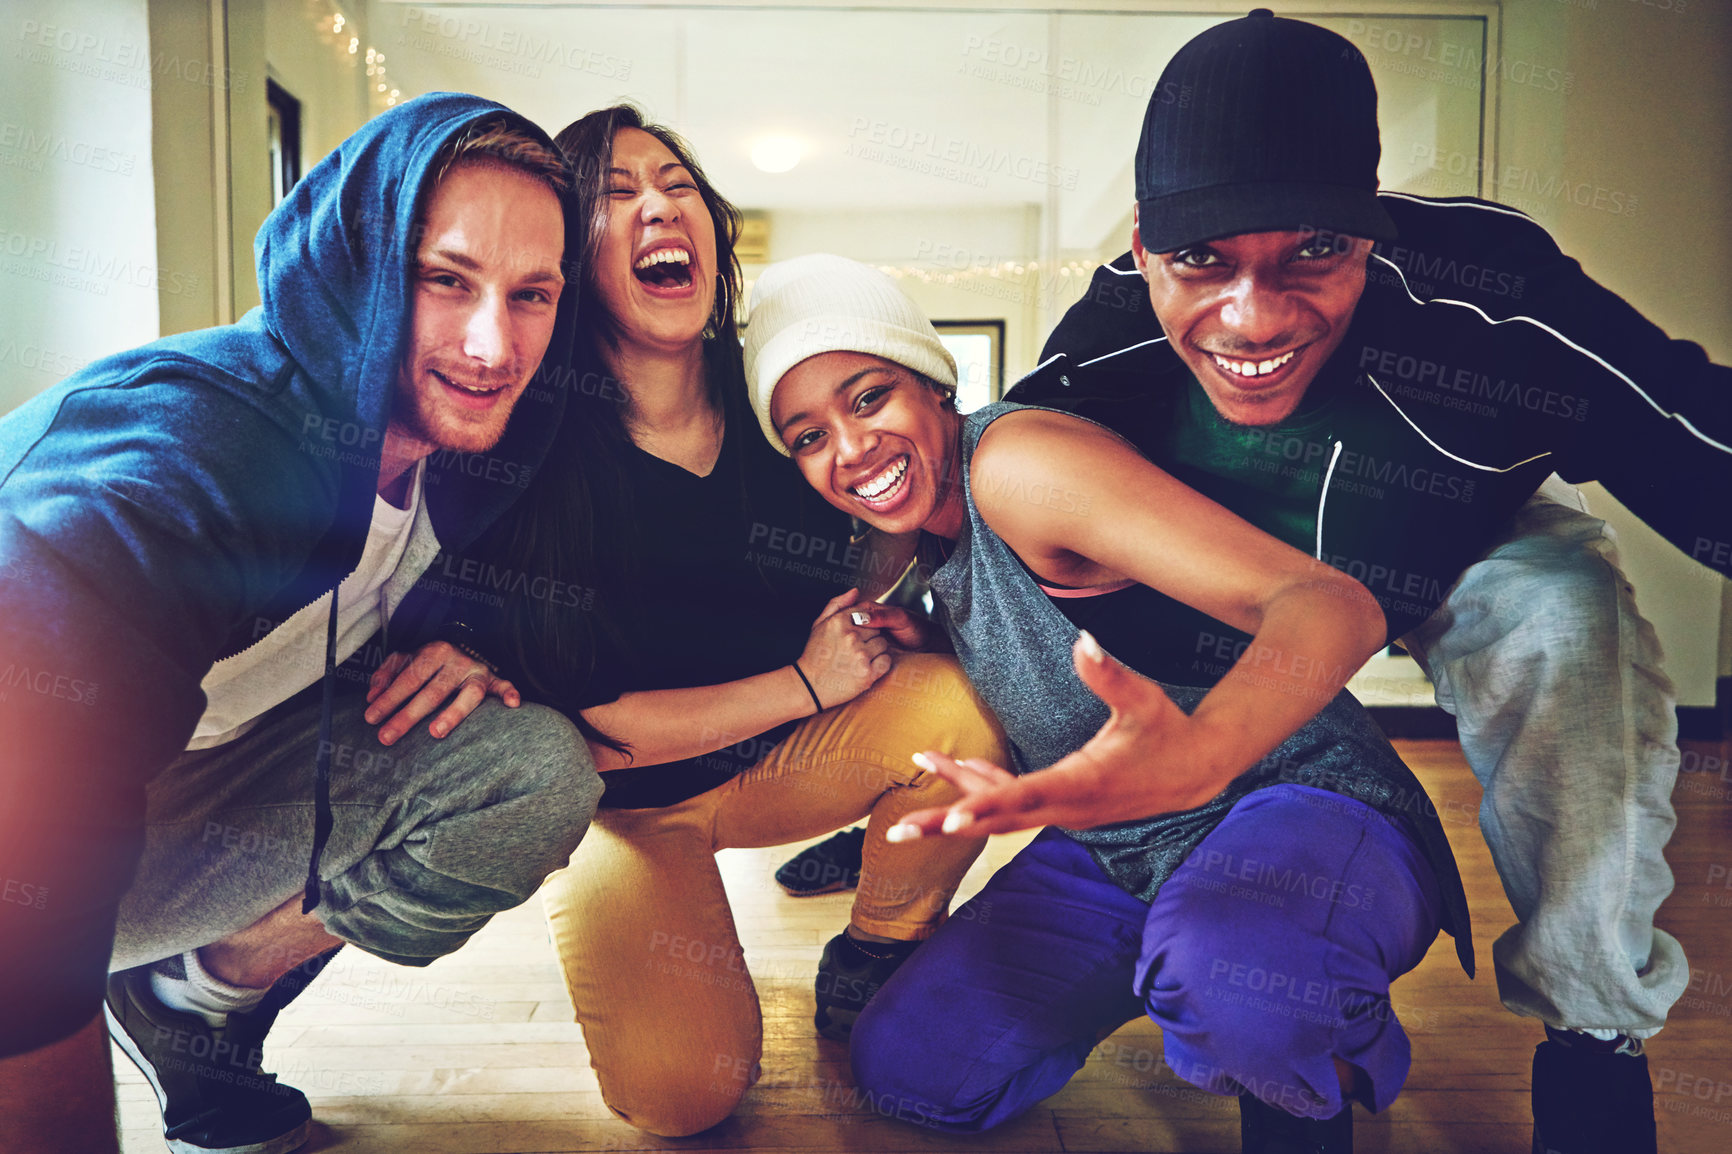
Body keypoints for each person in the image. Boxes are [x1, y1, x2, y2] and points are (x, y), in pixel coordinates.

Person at [895, 11, 1732, 1154]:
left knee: (1559, 615)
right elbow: (1012, 572)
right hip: (1242, 589)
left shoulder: (1493, 298)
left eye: (1312, 254)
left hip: (1461, 543)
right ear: (1141, 244)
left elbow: (1702, 449)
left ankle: (1590, 1038)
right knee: (932, 1063)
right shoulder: (1092, 369)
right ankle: (1229, 933)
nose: (1253, 314)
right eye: (1202, 261)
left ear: (1372, 232)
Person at [746, 251, 1474, 1154]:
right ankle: (1200, 962)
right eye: (808, 436)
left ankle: (1298, 1026)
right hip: (1124, 847)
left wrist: (1206, 753)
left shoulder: (1014, 463)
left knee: (1245, 987)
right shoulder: (921, 545)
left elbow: (1332, 604)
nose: (850, 450)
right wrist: (931, 645)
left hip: (1298, 804)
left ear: (936, 384)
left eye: (868, 399)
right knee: (911, 1069)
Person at [0, 94, 605, 1154]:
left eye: (531, 294)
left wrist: (460, 642)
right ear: (356, 263)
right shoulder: (195, 449)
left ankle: (189, 1002)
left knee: (529, 773)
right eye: (444, 278)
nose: (490, 340)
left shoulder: (453, 460)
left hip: (176, 798)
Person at [432, 105, 1007, 1139]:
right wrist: (805, 682)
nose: (657, 202)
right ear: (567, 253)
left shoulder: (775, 397)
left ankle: (876, 943)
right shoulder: (534, 450)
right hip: (628, 803)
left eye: (676, 183)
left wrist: (890, 614)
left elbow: (883, 508)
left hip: (785, 761)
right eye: (615, 192)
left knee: (964, 702)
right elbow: (591, 725)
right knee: (680, 1093)